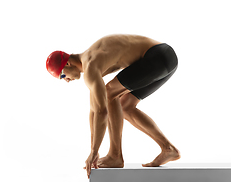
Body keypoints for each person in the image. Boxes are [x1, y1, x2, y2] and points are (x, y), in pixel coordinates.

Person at [46, 34, 180, 179]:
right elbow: (94, 110)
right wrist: (93, 150)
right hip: (166, 58)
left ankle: (115, 155)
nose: (66, 80)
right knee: (125, 106)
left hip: (157, 57)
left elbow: (102, 111)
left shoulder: (90, 66)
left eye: (62, 76)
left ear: (67, 64)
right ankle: (168, 149)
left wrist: (94, 151)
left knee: (110, 93)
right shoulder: (90, 61)